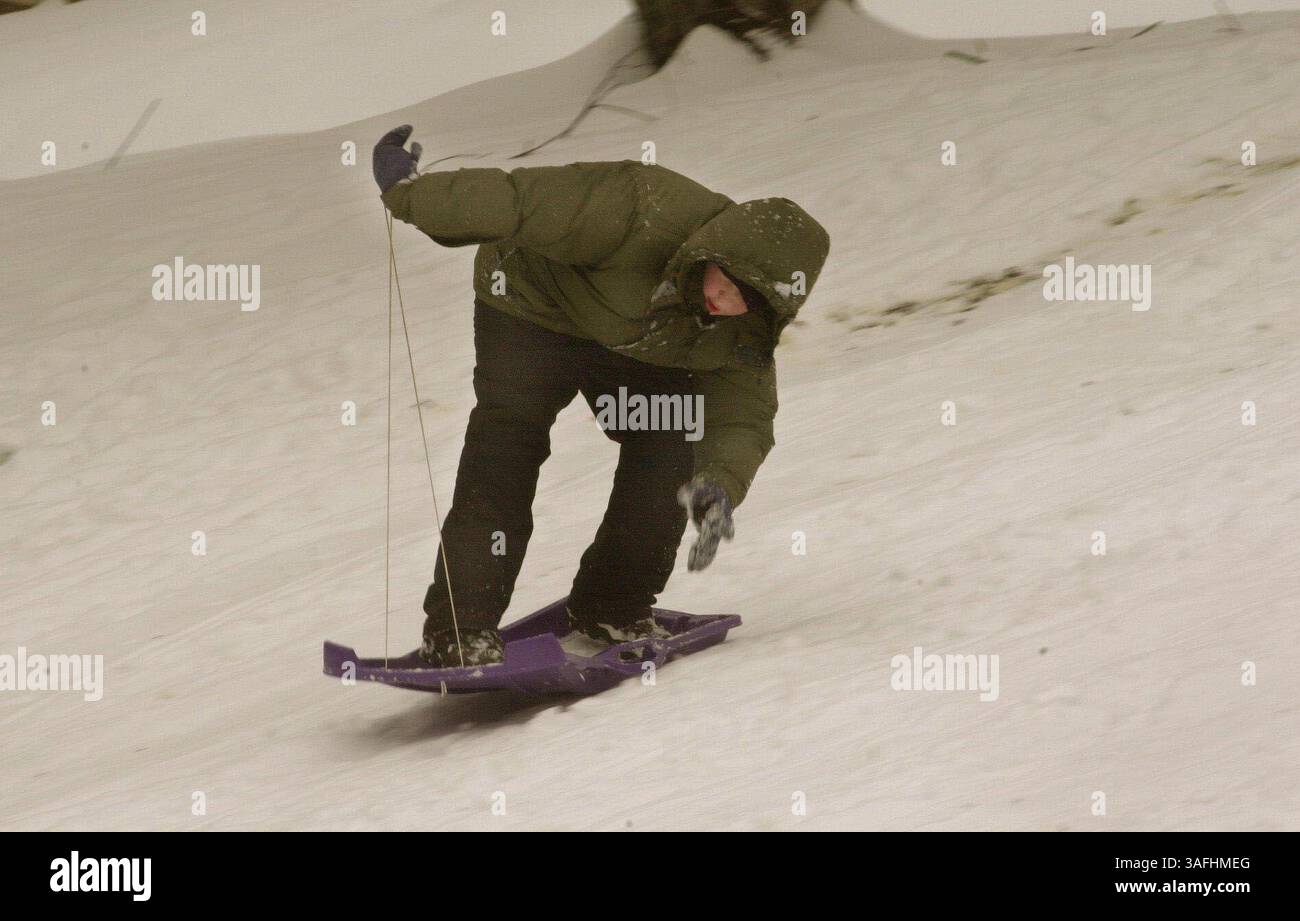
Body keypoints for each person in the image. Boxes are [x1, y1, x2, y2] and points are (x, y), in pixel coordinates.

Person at [373, 126, 830, 666]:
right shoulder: (638, 206)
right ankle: (459, 630)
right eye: (723, 283)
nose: (722, 303)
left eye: (742, 303)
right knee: (507, 444)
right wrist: (408, 194)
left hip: (628, 341)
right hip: (529, 308)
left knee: (670, 441)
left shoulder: (741, 331)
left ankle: (615, 603)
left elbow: (744, 417)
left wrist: (719, 487)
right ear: (711, 252)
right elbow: (513, 200)